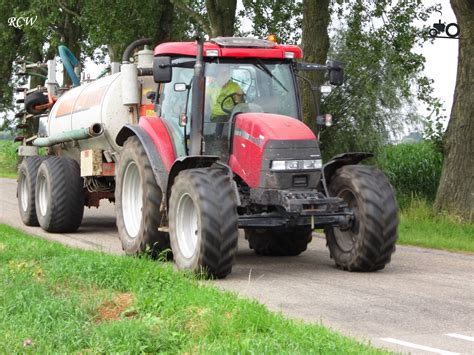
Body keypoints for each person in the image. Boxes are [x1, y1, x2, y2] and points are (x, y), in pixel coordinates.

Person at [206, 65, 244, 137]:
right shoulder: (211, 87)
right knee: (220, 119)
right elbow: (205, 102)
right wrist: (205, 113)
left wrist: (239, 95)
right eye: (222, 73)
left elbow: (239, 103)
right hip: (214, 116)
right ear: (217, 75)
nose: (225, 75)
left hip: (230, 115)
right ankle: (218, 137)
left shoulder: (235, 86)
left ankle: (221, 137)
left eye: (226, 73)